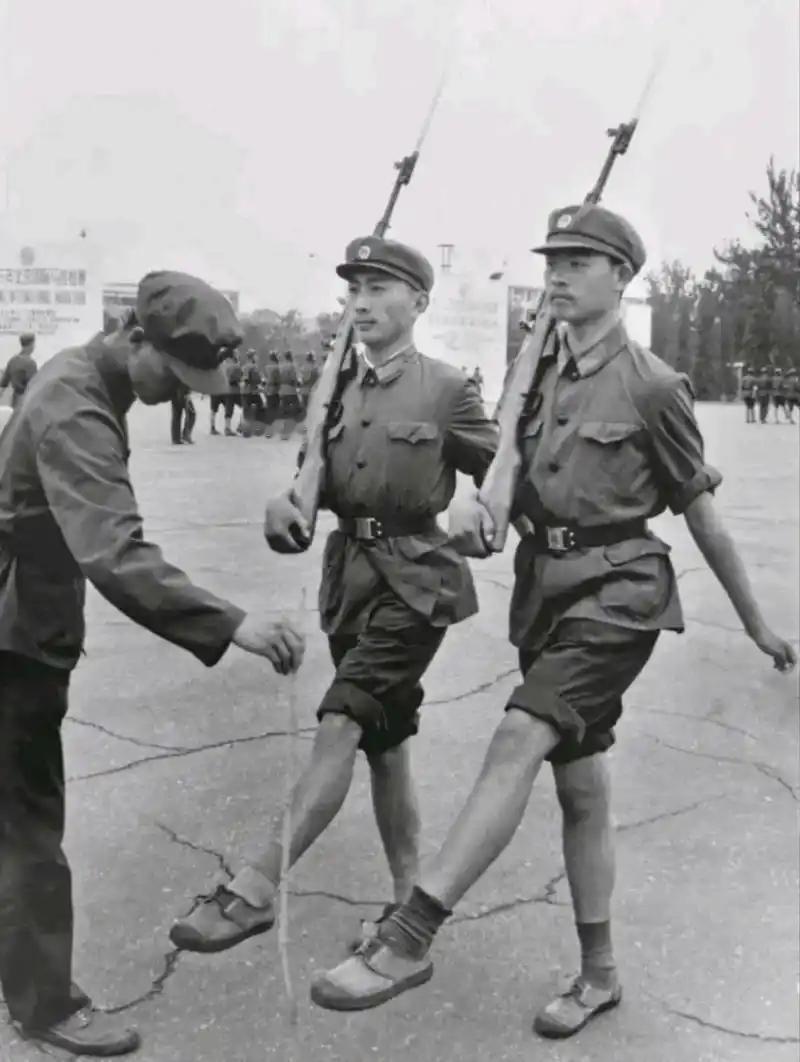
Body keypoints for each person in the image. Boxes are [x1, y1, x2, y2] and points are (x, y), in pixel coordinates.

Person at [310, 206, 797, 1034]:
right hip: (546, 598)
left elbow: (701, 511)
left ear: (622, 277)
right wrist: (480, 518)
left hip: (622, 593)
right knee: (580, 786)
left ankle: (409, 935)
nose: (559, 275)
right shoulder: (530, 379)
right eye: (553, 262)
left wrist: (756, 621)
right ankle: (599, 975)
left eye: (579, 262)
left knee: (520, 733)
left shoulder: (653, 385)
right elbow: (504, 489)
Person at [0, 271, 305, 1057]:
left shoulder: (84, 376)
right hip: (14, 641)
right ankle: (44, 1006)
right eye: (174, 374)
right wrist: (232, 624)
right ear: (134, 337)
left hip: (21, 620)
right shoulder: (76, 405)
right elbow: (114, 551)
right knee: (28, 831)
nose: (179, 392)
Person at [169, 236, 498, 960]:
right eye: (355, 289)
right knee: (386, 745)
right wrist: (281, 510)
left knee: (343, 719)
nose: (362, 302)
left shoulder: (448, 388)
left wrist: (484, 509)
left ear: (419, 302)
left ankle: (256, 889)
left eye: (380, 288)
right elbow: (306, 489)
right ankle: (407, 903)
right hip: (348, 583)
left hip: (418, 584)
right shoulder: (336, 391)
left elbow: (501, 470)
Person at [1, 332, 38, 409]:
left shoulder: (13, 360)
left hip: (15, 400)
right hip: (25, 400)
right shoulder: (30, 363)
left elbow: (3, 384)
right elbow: (34, 384)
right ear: (31, 345)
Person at [210, 351, 242, 436]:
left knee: (213, 410)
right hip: (226, 389)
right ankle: (227, 428)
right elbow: (235, 378)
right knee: (229, 408)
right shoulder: (230, 365)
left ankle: (212, 428)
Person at [277, 350, 301, 440]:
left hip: (282, 390)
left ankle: (284, 431)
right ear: (291, 357)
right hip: (290, 390)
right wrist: (298, 384)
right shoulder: (291, 366)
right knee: (296, 408)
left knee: (285, 410)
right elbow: (293, 378)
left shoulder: (282, 366)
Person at [262, 351, 281, 439]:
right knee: (274, 410)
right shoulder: (277, 368)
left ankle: (268, 430)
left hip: (267, 390)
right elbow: (278, 380)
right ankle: (271, 430)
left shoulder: (267, 367)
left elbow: (265, 378)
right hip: (275, 391)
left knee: (269, 409)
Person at [298, 350, 321, 422]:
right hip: (312, 390)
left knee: (306, 407)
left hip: (306, 390)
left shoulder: (305, 368)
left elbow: (303, 380)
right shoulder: (314, 368)